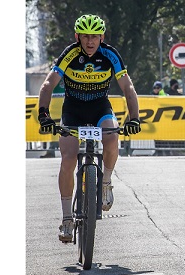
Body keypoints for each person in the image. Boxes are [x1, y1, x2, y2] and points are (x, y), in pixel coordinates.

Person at [37, 14, 142, 243]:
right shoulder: (70, 54)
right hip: (73, 110)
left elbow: (128, 87)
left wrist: (134, 118)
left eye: (95, 36)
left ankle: (105, 183)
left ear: (102, 37)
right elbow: (48, 84)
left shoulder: (110, 54)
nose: (90, 41)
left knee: (112, 137)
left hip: (99, 108)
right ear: (78, 37)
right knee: (68, 158)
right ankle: (67, 219)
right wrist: (43, 114)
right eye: (85, 36)